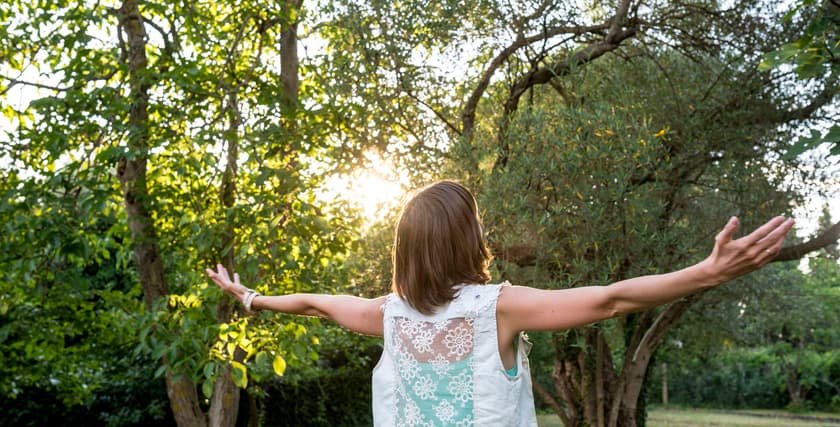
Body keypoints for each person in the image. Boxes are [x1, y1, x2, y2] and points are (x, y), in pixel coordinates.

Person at [206, 180, 794, 427]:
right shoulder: (498, 308)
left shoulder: (386, 315)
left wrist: (253, 297)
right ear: (469, 240)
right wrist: (705, 273)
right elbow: (611, 301)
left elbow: (315, 304)